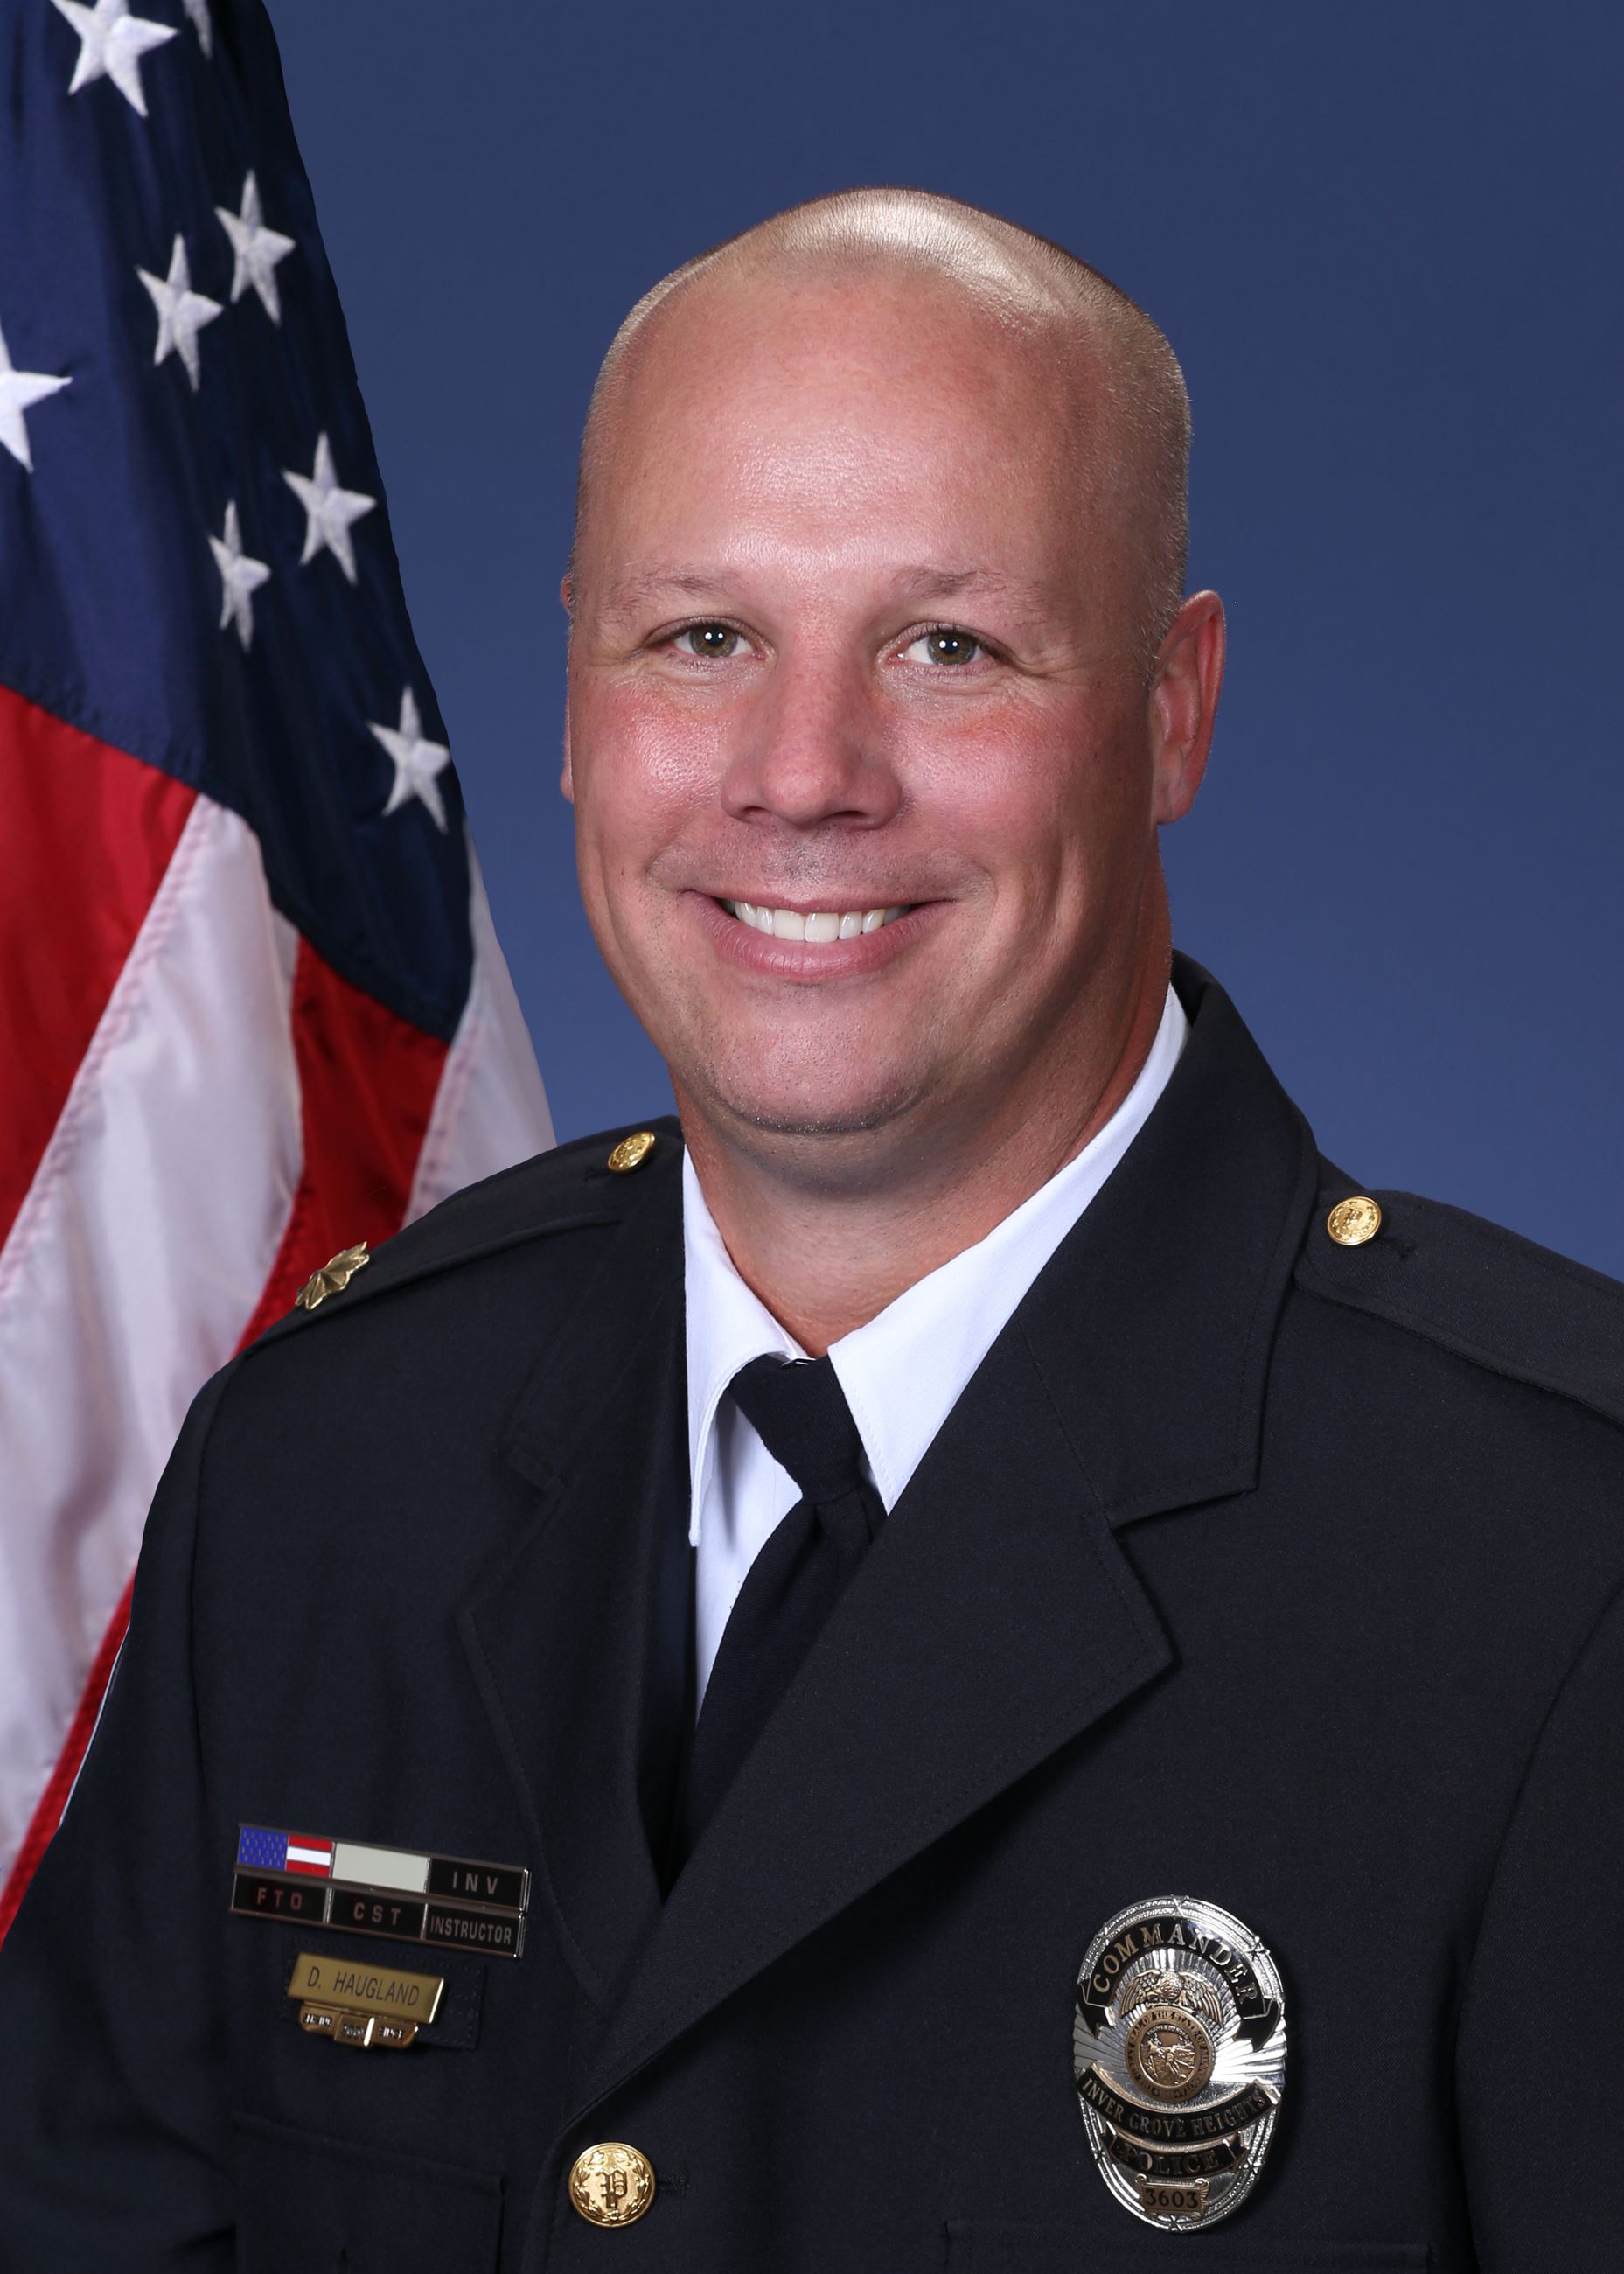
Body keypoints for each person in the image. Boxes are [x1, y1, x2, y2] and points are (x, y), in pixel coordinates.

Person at [1, 186, 1620, 2273]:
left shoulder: (1549, 1571)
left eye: (946, 647)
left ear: (1169, 707)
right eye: (702, 639)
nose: (801, 775)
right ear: (575, 699)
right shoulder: (324, 1474)